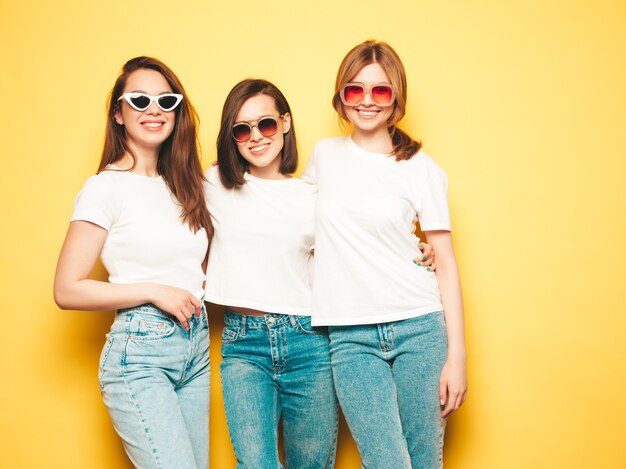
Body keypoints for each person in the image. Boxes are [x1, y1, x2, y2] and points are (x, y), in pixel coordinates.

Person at [302, 40, 468, 468]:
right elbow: (296, 229)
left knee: (423, 460)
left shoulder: (423, 170)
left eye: (381, 91)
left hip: (420, 328)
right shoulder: (324, 155)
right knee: (386, 461)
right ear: (341, 97)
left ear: (397, 98)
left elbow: (446, 265)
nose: (368, 101)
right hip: (350, 335)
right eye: (355, 90)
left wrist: (457, 359)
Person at [54, 57, 212, 469]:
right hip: (140, 353)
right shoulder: (105, 188)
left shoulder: (185, 186)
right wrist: (152, 290)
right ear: (119, 114)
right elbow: (67, 288)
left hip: (195, 347)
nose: (154, 109)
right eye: (139, 100)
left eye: (166, 100)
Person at [204, 78, 338, 469]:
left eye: (265, 124)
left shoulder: (313, 195)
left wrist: (422, 249)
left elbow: (354, 250)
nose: (255, 137)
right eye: (241, 129)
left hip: (310, 342)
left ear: (285, 123)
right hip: (244, 345)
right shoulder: (213, 183)